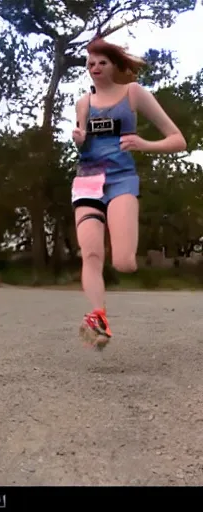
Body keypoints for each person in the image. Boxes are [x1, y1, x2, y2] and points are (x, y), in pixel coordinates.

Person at [71, 36, 187, 349]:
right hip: (87, 179)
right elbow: (83, 140)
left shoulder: (133, 94)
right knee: (92, 254)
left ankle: (123, 253)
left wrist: (145, 144)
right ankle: (97, 317)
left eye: (101, 62)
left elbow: (178, 140)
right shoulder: (83, 103)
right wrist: (79, 138)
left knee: (124, 262)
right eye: (90, 63)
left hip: (122, 178)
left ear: (115, 66)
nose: (94, 68)